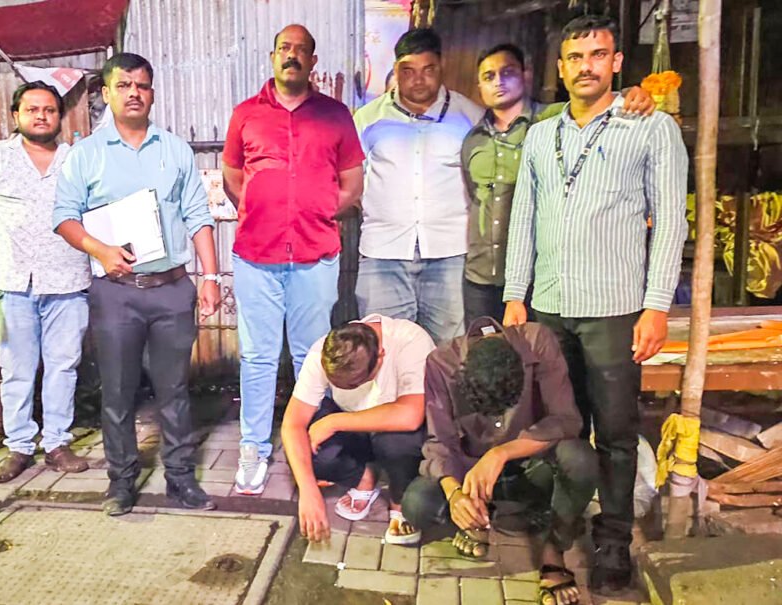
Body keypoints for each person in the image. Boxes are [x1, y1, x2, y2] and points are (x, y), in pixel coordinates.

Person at [503, 15, 687, 593]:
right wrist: (515, 295)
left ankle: (612, 544)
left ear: (616, 63)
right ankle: (559, 535)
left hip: (614, 308)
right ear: (560, 68)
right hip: (550, 306)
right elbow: (524, 220)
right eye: (575, 57)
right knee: (560, 431)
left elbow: (671, 222)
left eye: (597, 55)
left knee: (615, 433)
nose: (586, 67)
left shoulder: (650, 127)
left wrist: (656, 306)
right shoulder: (541, 135)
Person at [54, 53, 222, 516]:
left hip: (171, 290)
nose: (134, 93)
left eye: (142, 86)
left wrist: (209, 276)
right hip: (116, 294)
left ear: (152, 93)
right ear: (106, 94)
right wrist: (100, 250)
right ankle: (121, 482)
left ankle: (180, 479)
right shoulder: (86, 154)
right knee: (118, 392)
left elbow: (198, 215)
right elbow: (64, 217)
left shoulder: (175, 150)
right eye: (124, 85)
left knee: (175, 391)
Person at [223, 24, 365, 496]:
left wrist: (317, 210)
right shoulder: (246, 114)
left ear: (312, 61)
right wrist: (261, 211)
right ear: (273, 56)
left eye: (301, 50)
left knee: (312, 357)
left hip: (314, 256)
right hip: (256, 257)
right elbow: (233, 176)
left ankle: (312, 448)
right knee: (258, 357)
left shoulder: (335, 116)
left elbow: (352, 183)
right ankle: (253, 448)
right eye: (285, 48)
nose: (292, 56)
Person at [402, 319, 597, 605]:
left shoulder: (537, 341)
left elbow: (566, 420)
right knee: (417, 504)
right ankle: (480, 517)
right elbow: (440, 442)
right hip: (472, 473)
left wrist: (501, 453)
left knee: (580, 459)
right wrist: (456, 495)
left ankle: (553, 547)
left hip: (533, 467)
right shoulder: (441, 363)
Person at [461, 44, 654, 326]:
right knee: (483, 351)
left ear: (526, 75)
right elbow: (474, 196)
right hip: (481, 276)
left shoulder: (554, 119)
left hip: (539, 278)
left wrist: (630, 94)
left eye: (508, 72)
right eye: (489, 76)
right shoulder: (473, 138)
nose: (498, 82)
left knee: (538, 351)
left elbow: (598, 105)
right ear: (479, 85)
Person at [0, 81, 92, 483]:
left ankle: (57, 443)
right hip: (13, 284)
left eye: (49, 110)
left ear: (60, 117)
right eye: (32, 109)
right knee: (17, 370)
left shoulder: (78, 161)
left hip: (68, 280)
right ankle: (20, 446)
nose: (41, 116)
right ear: (16, 115)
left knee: (63, 366)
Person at [353, 28, 484, 345]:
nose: (418, 80)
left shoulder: (470, 117)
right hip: (382, 254)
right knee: (383, 350)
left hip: (450, 255)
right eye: (408, 71)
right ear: (396, 70)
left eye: (428, 70)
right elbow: (351, 182)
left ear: (442, 66)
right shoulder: (367, 119)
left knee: (449, 353)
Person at [282, 316, 435, 545]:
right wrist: (307, 489)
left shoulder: (410, 340)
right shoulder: (322, 353)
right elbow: (292, 424)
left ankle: (400, 501)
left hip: (398, 430)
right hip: (355, 427)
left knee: (397, 443)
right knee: (304, 450)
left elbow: (411, 415)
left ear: (380, 356)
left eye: (353, 384)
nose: (346, 388)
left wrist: (333, 422)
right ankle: (365, 476)